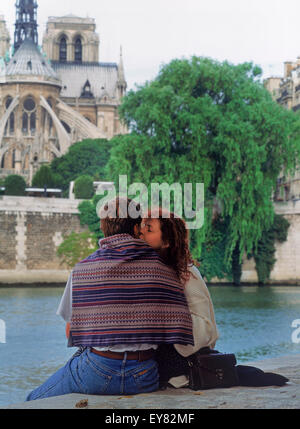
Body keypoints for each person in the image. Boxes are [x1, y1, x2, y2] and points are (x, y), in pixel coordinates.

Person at [26, 198, 193, 401]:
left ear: (104, 229)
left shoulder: (83, 269)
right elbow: (175, 329)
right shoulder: (164, 270)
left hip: (96, 371)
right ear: (135, 227)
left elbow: (71, 331)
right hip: (145, 374)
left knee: (32, 401)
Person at [137, 209, 219, 388]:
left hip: (181, 364)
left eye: (149, 229)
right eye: (142, 226)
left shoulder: (187, 274)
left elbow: (205, 329)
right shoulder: (154, 270)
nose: (141, 231)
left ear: (166, 241)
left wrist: (165, 315)